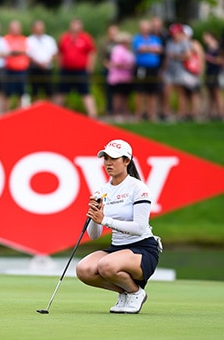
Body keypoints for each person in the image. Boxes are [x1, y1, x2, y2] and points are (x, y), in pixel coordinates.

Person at [76, 139, 162, 314]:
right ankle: (125, 292)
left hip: (143, 249)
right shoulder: (102, 190)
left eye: (113, 158)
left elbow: (139, 227)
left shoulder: (138, 188)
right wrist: (94, 215)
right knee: (83, 269)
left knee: (106, 265)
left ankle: (136, 293)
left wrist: (105, 219)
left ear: (126, 161)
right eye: (106, 158)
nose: (108, 163)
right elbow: (94, 235)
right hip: (117, 249)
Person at [56, 18, 97, 118]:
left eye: (77, 24)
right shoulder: (65, 37)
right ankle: (55, 114)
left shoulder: (85, 38)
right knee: (61, 92)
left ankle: (93, 115)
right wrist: (59, 66)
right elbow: (60, 53)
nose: (75, 26)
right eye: (73, 24)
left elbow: (92, 53)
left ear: (81, 26)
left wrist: (90, 67)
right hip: (66, 70)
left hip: (81, 70)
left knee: (86, 92)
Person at [132, 19, 163, 122]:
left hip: (153, 68)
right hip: (141, 68)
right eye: (143, 28)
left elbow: (159, 50)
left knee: (152, 92)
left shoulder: (155, 38)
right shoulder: (137, 38)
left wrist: (147, 48)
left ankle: (151, 114)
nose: (145, 30)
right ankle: (139, 114)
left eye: (147, 28)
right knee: (140, 91)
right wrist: (152, 49)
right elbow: (139, 49)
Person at [163, 23, 193, 121]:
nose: (174, 35)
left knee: (180, 92)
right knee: (167, 92)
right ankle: (167, 113)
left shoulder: (185, 42)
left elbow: (188, 56)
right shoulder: (170, 43)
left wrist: (176, 56)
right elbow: (167, 57)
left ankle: (182, 114)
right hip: (169, 70)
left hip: (180, 70)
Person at [107, 32, 135, 121]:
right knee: (118, 96)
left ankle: (125, 113)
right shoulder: (117, 50)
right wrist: (126, 66)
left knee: (125, 96)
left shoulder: (128, 50)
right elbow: (115, 64)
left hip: (127, 77)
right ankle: (117, 114)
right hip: (118, 77)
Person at [26, 20, 57, 102]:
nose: (40, 30)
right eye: (38, 28)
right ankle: (35, 111)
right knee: (35, 91)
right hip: (34, 69)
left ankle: (48, 111)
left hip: (47, 68)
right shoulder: (29, 40)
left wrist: (46, 63)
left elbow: (54, 53)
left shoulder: (49, 39)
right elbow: (28, 55)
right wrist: (39, 63)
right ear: (33, 29)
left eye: (41, 28)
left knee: (49, 91)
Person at [3, 20, 29, 110]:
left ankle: (19, 114)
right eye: (13, 28)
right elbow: (6, 52)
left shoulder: (24, 39)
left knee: (21, 93)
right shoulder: (6, 39)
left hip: (22, 70)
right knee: (8, 93)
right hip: (9, 70)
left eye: (16, 28)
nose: (15, 30)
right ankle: (6, 114)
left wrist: (13, 52)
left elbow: (25, 51)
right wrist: (18, 52)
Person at [203, 31, 224, 120]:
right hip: (209, 72)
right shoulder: (208, 48)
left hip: (217, 72)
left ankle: (221, 113)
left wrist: (210, 59)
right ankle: (212, 113)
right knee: (210, 94)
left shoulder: (219, 48)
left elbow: (221, 60)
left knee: (218, 94)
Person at [100, 24, 119, 115]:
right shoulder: (105, 43)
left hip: (120, 70)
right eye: (111, 32)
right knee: (108, 92)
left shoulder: (120, 43)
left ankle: (118, 110)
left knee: (119, 91)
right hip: (108, 69)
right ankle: (109, 110)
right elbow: (102, 58)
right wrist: (109, 66)